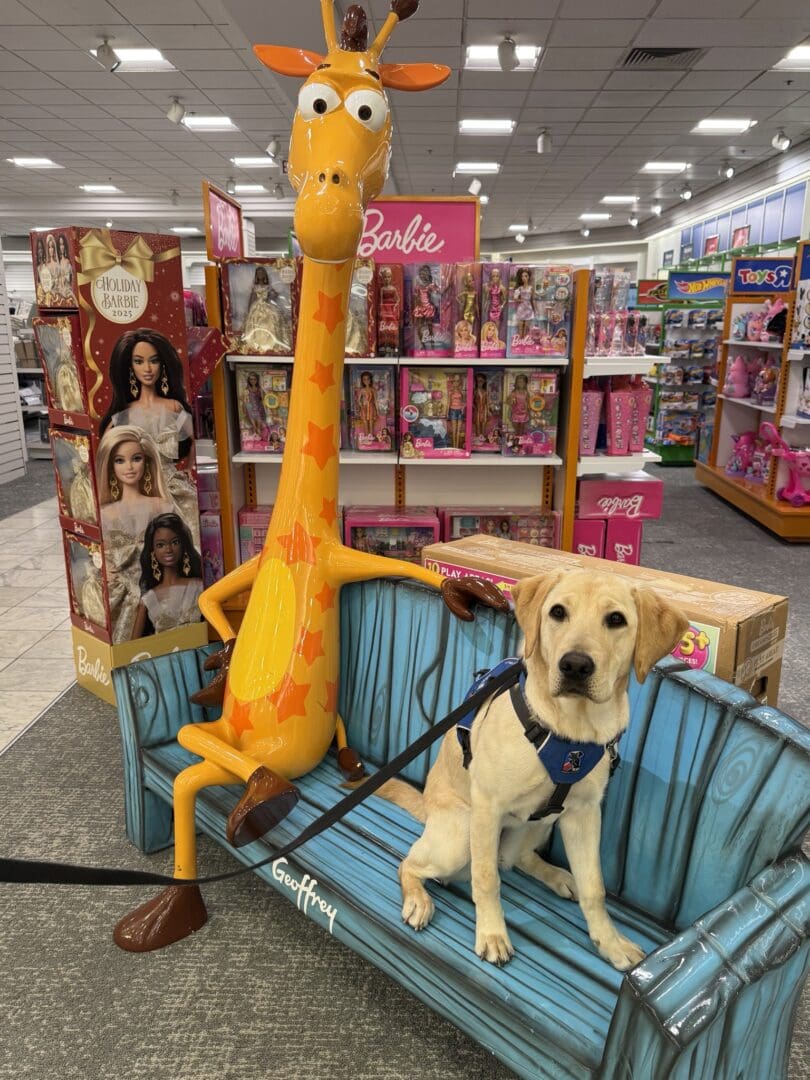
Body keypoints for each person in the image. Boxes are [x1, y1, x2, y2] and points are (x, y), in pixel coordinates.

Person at [100, 328, 197, 539]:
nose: (147, 368)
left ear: (163, 364)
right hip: (138, 487)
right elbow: (105, 451)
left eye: (154, 360)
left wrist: (190, 468)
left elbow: (193, 440)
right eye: (139, 361)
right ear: (130, 366)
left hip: (172, 485)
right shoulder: (123, 416)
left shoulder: (174, 407)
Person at [97, 425, 175, 643]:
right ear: (110, 466)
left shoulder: (160, 506)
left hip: (158, 585)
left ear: (147, 461)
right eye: (119, 460)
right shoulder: (105, 514)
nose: (129, 467)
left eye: (136, 458)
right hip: (120, 592)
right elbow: (100, 556)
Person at [131, 513, 204, 638]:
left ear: (183, 545)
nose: (168, 549)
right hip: (163, 650)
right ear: (153, 551)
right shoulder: (148, 599)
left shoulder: (199, 587)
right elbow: (133, 646)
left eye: (175, 542)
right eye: (160, 545)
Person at [242, 265, 291, 354]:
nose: (260, 275)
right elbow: (252, 298)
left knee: (271, 320)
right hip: (257, 307)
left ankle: (270, 343)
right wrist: (249, 310)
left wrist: (271, 296)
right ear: (256, 275)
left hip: (267, 305)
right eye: (258, 273)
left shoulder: (268, 286)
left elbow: (275, 294)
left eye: (262, 273)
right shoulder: (255, 287)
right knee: (256, 322)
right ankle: (258, 344)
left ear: (264, 275)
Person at [241, 371, 267, 439]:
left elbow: (264, 397)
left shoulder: (260, 389)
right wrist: (244, 408)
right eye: (251, 379)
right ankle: (256, 438)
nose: (253, 381)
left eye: (254, 379)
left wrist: (263, 396)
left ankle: (260, 438)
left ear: (257, 380)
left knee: (259, 426)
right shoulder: (246, 390)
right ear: (249, 380)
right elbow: (243, 400)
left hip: (259, 409)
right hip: (250, 409)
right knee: (254, 426)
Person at [512, 268, 535, 339]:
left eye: (526, 276)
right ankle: (520, 340)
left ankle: (524, 340)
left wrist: (534, 309)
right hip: (521, 307)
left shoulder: (531, 288)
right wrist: (520, 300)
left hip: (528, 308)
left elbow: (532, 299)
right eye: (522, 276)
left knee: (526, 326)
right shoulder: (520, 288)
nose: (524, 278)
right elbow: (515, 298)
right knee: (520, 325)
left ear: (528, 277)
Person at [356, 370, 378, 437]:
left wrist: (377, 410)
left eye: (368, 379)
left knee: (371, 421)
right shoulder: (362, 390)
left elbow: (376, 400)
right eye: (364, 379)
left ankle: (371, 435)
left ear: (370, 380)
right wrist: (361, 405)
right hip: (364, 408)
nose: (366, 381)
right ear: (362, 381)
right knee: (365, 421)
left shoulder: (373, 389)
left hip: (371, 407)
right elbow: (358, 400)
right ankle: (366, 435)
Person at [56, 233, 75, 302]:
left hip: (67, 289)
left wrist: (64, 277)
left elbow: (70, 276)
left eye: (63, 244)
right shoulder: (57, 262)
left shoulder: (67, 261)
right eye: (60, 245)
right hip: (58, 289)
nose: (62, 247)